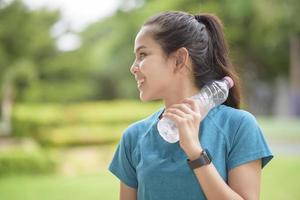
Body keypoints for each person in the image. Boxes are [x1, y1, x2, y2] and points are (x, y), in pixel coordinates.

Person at [109, 11, 273, 200]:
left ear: (179, 59)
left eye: (143, 54)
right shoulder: (134, 137)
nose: (133, 67)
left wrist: (195, 153)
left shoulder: (238, 126)